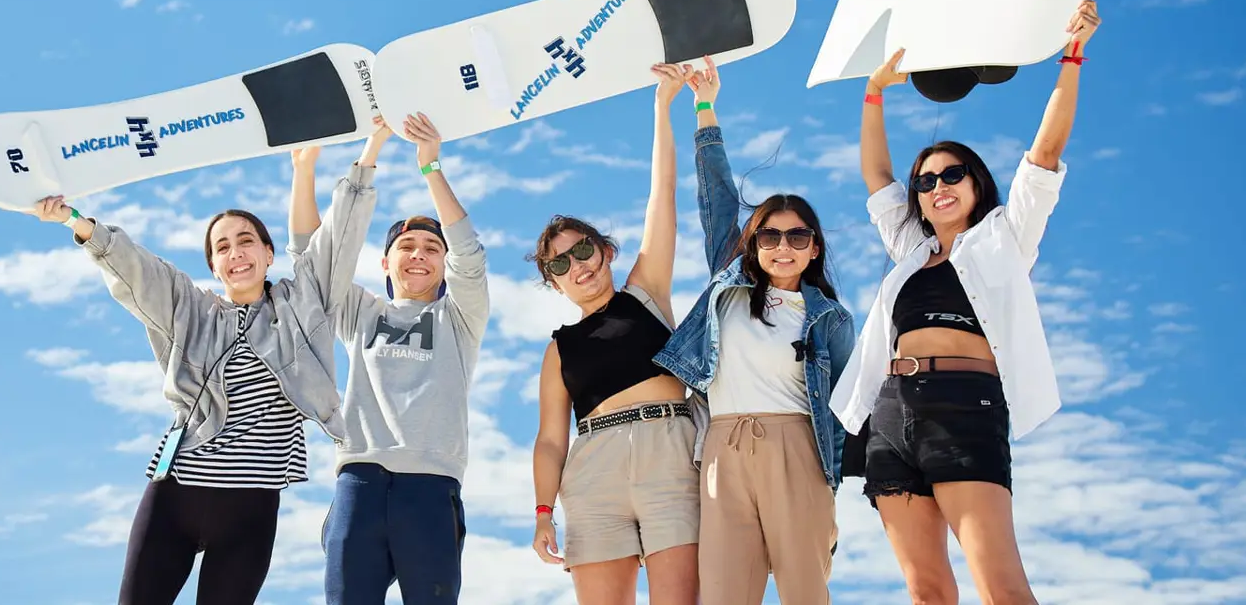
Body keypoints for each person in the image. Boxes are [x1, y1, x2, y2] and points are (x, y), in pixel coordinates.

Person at [828, 0, 1102, 605]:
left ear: (976, 185)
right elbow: (878, 177)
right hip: (891, 416)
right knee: (926, 591)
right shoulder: (908, 252)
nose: (936, 187)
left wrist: (1072, 54)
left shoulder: (1005, 238)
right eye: (925, 181)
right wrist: (874, 92)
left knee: (1001, 587)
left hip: (964, 405)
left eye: (952, 175)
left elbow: (1046, 153)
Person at [29, 186, 348, 605]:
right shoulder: (192, 311)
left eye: (246, 241)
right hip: (177, 496)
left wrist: (328, 165)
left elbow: (330, 244)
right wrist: (75, 221)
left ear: (269, 255)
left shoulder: (299, 312)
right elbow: (137, 269)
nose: (235, 252)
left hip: (251, 510)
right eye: (222, 247)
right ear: (215, 267)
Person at [650, 56, 856, 605]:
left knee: (803, 591)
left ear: (813, 247)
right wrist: (703, 105)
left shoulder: (829, 318)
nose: (781, 247)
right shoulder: (729, 285)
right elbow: (716, 194)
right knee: (723, 594)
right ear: (753, 243)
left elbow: (843, 406)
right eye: (768, 236)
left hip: (796, 448)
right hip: (722, 447)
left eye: (796, 237)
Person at [288, 113, 490, 605]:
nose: (418, 254)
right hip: (360, 480)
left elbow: (470, 253)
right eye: (406, 246)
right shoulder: (358, 313)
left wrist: (430, 166)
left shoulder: (460, 317)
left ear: (443, 264)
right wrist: (343, 158)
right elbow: (312, 261)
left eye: (431, 248)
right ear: (385, 261)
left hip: (431, 485)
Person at [528, 60, 698, 605]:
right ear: (553, 283)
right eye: (560, 265)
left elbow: (662, 197)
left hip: (670, 453)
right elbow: (552, 439)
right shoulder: (559, 349)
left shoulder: (643, 293)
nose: (577, 266)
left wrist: (662, 107)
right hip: (594, 469)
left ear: (605, 251)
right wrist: (542, 513)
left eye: (583, 249)